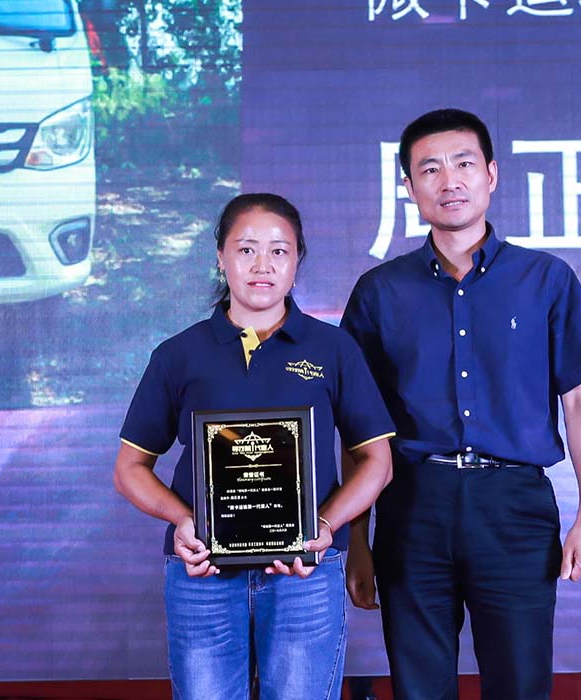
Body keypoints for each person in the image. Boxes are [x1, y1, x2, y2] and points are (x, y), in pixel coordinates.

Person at [340, 108, 581, 700]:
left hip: (514, 507)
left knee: (520, 684)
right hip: (413, 506)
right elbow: (359, 430)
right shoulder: (380, 292)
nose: (450, 181)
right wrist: (357, 541)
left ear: (491, 174)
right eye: (430, 169)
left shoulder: (546, 279)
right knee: (419, 688)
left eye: (464, 164)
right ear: (409, 186)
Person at [114, 193, 395, 700]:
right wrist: (183, 520)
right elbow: (130, 467)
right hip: (202, 574)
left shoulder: (334, 349)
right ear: (220, 257)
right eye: (246, 249)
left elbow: (377, 461)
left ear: (297, 260)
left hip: (305, 575)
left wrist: (325, 526)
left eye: (279, 251)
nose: (262, 265)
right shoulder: (178, 354)